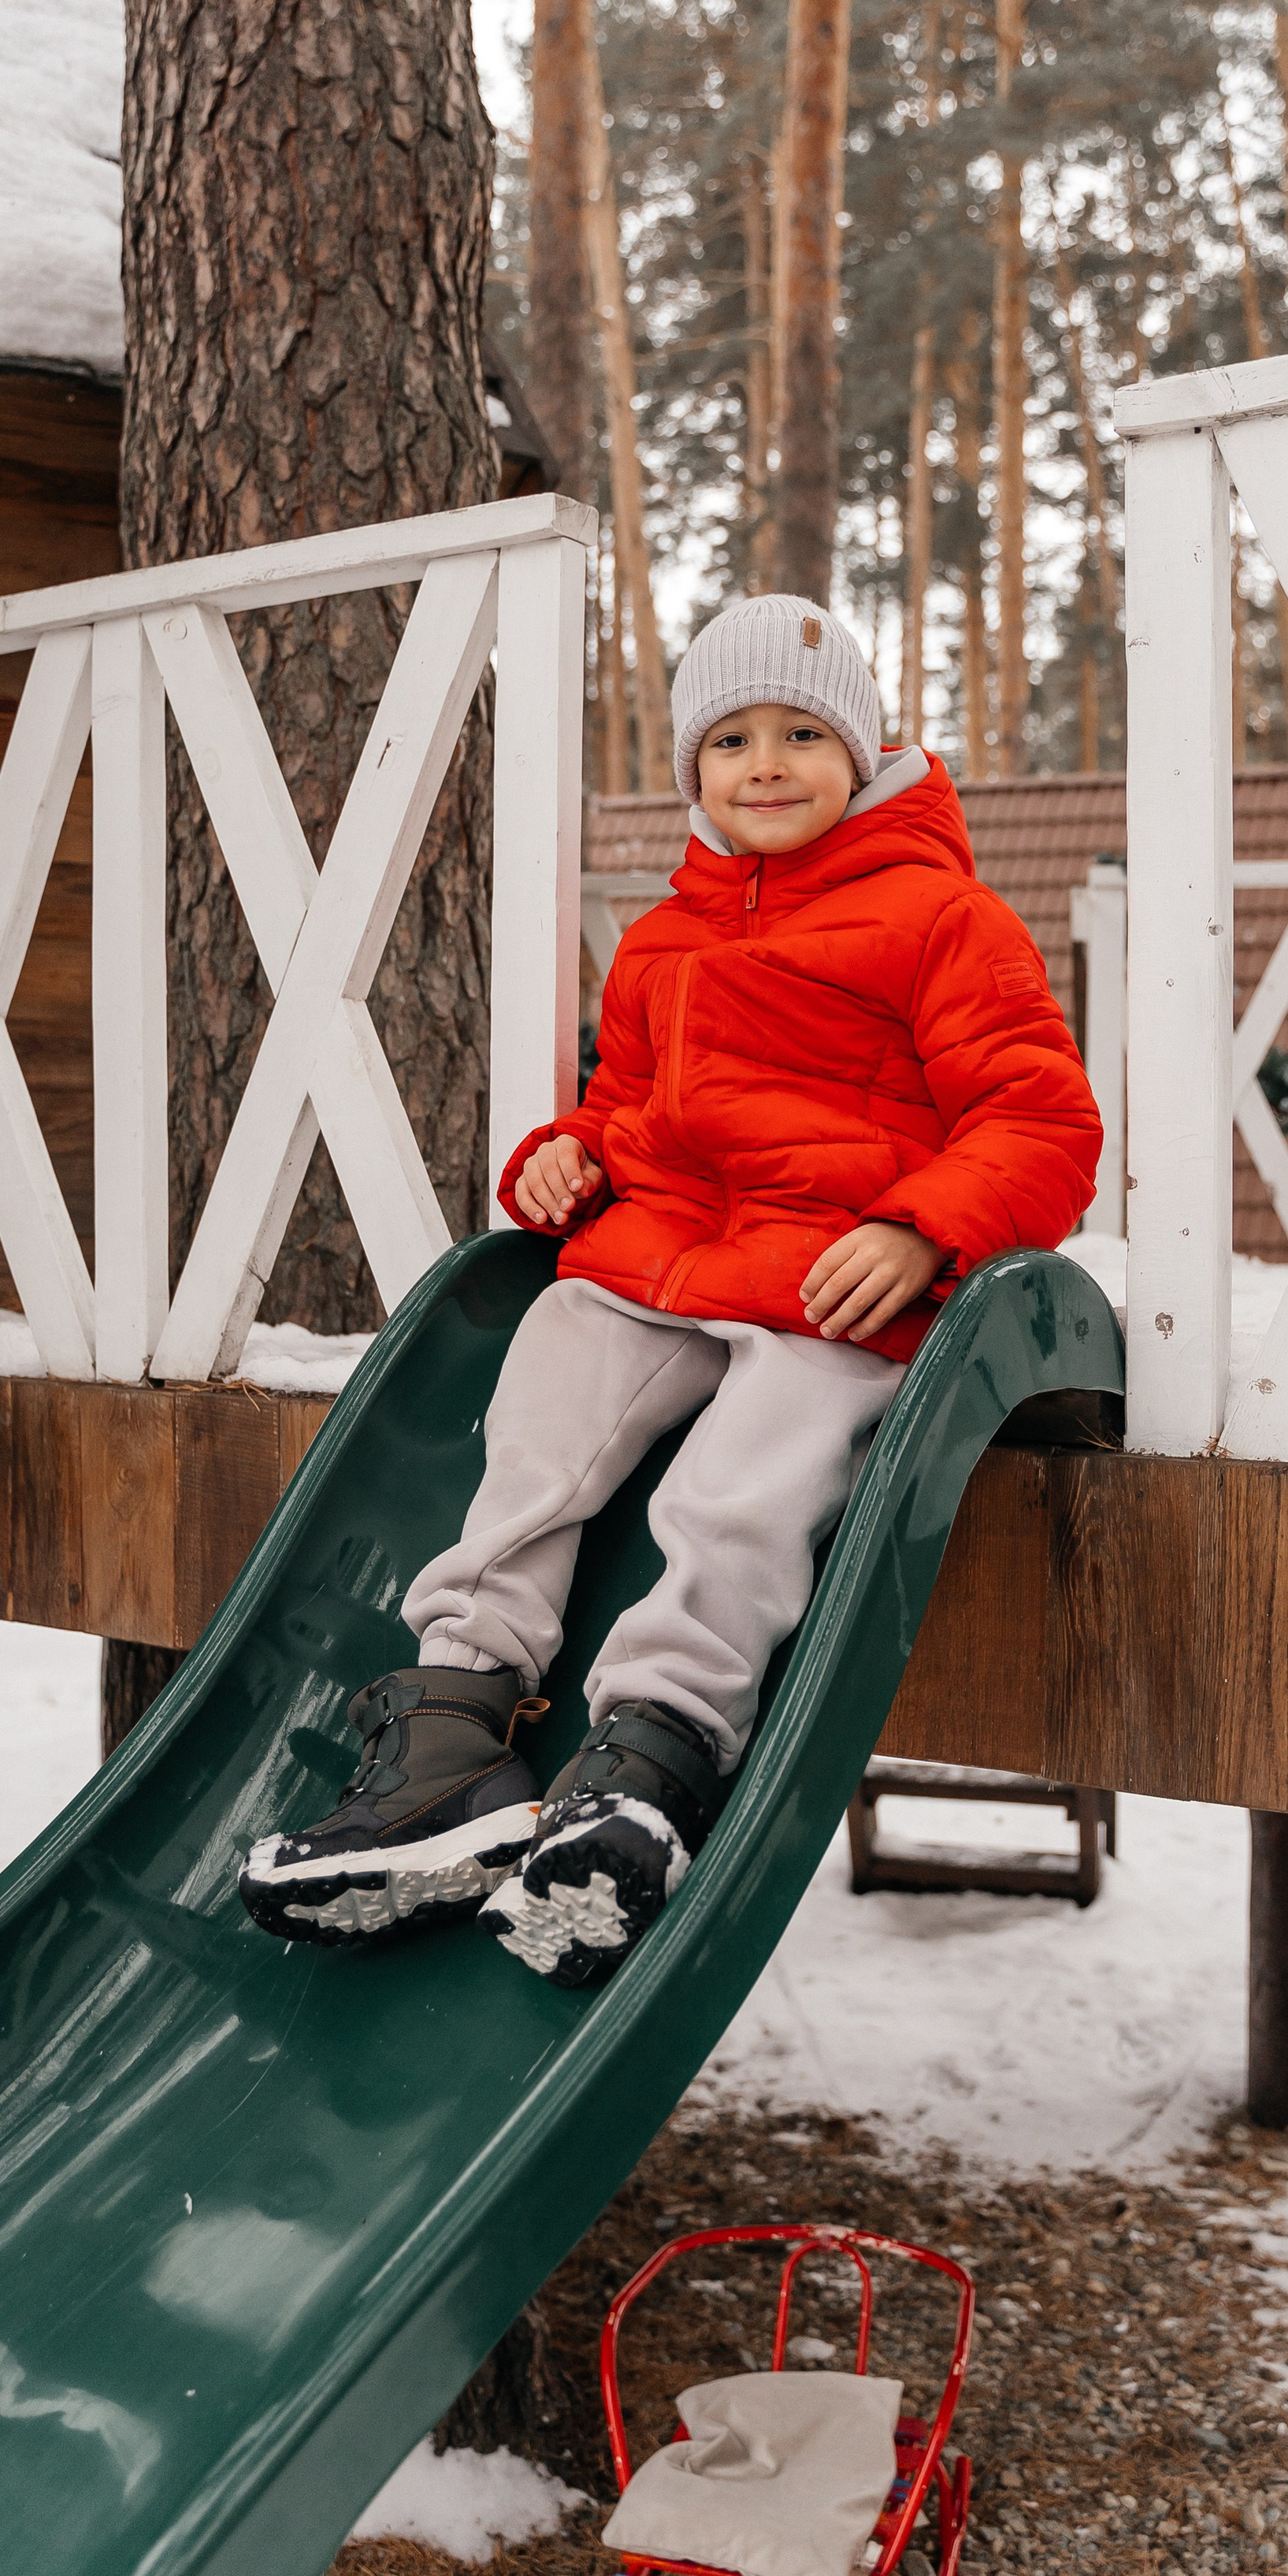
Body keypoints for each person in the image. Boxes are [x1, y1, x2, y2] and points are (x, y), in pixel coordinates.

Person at [239, 595, 1101, 1984]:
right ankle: (457, 1723)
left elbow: (1043, 1123)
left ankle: (651, 1753)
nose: (766, 764)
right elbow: (629, 1110)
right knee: (544, 1412)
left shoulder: (945, 919)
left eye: (804, 735)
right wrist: (568, 1159)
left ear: (867, 757)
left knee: (742, 1484)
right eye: (734, 738)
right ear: (694, 769)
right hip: (668, 1267)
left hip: (834, 1279)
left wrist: (925, 1229)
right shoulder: (663, 942)